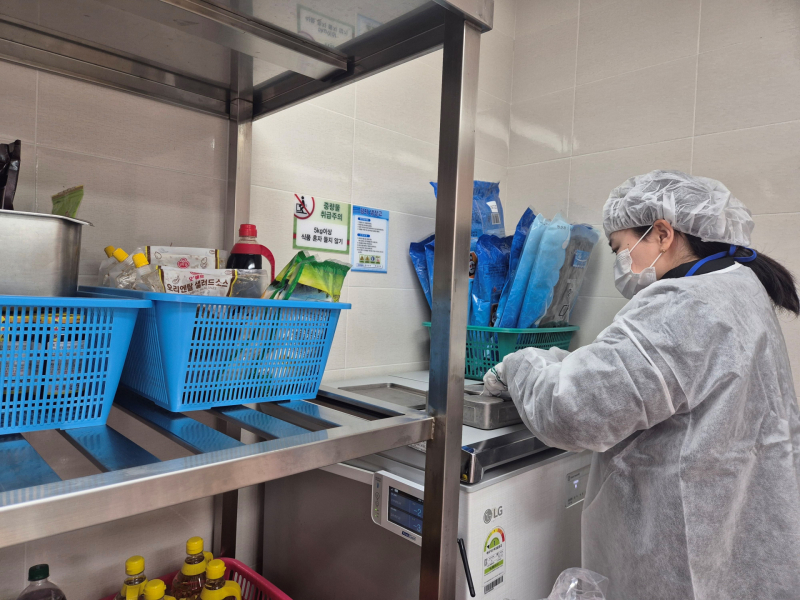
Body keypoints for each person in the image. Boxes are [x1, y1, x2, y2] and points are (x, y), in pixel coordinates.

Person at [483, 170, 800, 600]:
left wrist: (519, 364)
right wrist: (561, 361)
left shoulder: (684, 304)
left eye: (620, 248)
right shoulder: (739, 288)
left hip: (678, 556)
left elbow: (573, 411)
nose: (622, 263)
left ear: (663, 234)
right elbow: (640, 374)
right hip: (734, 541)